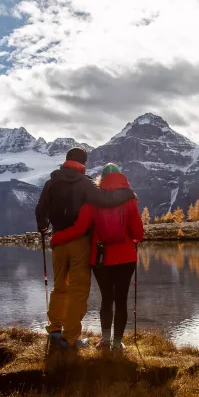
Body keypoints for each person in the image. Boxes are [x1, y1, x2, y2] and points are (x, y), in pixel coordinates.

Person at [35, 149, 135, 350]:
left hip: (58, 242)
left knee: (59, 287)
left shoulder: (51, 183)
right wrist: (127, 193)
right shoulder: (85, 184)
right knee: (78, 290)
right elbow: (106, 200)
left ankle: (55, 330)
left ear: (66, 161)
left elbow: (40, 210)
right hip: (80, 243)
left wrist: (43, 227)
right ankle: (70, 338)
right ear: (83, 164)